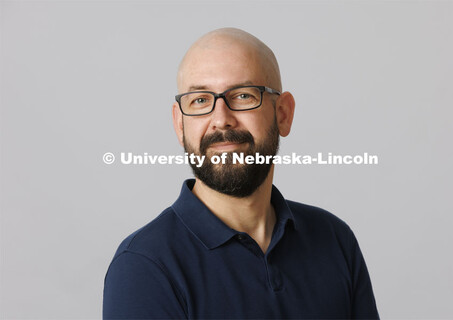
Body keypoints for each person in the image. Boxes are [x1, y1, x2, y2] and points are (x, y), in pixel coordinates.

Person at [103, 27, 379, 319]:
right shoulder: (144, 266)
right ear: (180, 124)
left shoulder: (334, 239)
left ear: (283, 114)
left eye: (244, 96)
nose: (221, 120)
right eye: (200, 100)